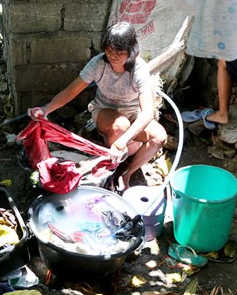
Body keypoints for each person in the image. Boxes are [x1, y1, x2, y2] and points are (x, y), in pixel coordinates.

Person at [27, 21, 167, 192]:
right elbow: (71, 91)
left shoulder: (139, 69)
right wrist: (46, 109)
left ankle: (127, 172)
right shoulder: (98, 64)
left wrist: (122, 142)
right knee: (120, 126)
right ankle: (113, 160)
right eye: (109, 51)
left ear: (131, 52)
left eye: (119, 52)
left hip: (132, 112)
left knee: (159, 137)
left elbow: (147, 114)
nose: (112, 56)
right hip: (104, 110)